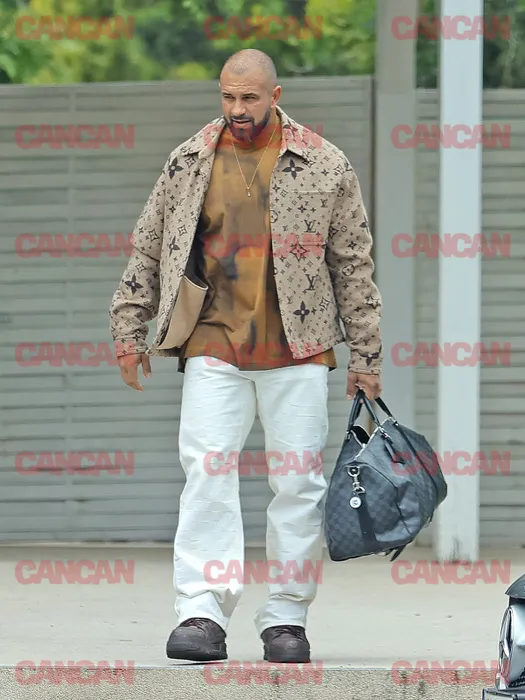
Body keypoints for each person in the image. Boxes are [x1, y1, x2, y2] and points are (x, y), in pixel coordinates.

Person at [109, 48, 383, 664]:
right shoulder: (189, 160)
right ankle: (201, 612)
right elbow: (148, 246)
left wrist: (367, 356)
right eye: (228, 96)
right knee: (207, 475)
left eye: (249, 98)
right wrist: (129, 329)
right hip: (213, 343)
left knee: (299, 484)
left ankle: (286, 617)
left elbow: (353, 265)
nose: (237, 108)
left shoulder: (324, 163)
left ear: (275, 95)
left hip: (300, 348)